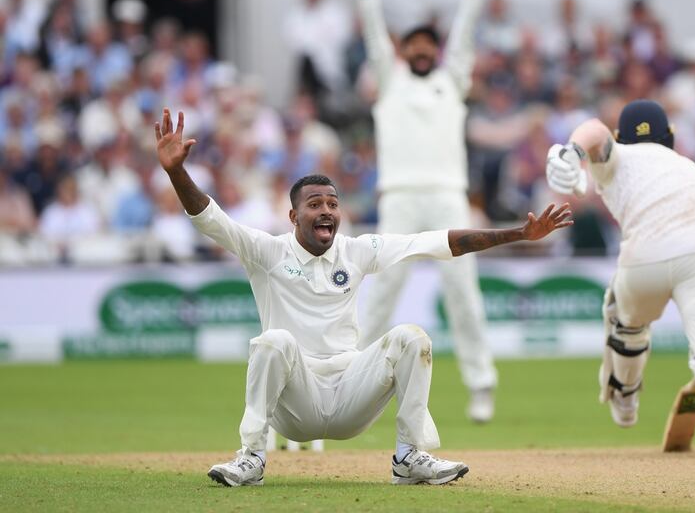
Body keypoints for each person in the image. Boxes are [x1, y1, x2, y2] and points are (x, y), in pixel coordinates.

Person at [154, 109, 572, 486]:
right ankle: (252, 458)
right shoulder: (266, 251)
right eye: (314, 204)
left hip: (350, 395)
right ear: (293, 216)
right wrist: (176, 173)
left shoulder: (355, 251)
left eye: (332, 204)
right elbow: (211, 220)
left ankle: (409, 458)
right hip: (294, 401)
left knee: (412, 337)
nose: (326, 212)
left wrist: (519, 234)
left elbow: (435, 242)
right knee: (274, 340)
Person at [545, 100, 695, 458]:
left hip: (645, 258)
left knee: (625, 322)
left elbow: (594, 130)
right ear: (669, 137)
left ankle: (625, 398)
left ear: (620, 137)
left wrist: (572, 152)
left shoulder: (617, 159)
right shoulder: (690, 168)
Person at [356, 0, 501, 423]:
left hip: (446, 196)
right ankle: (349, 381)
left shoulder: (451, 79)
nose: (420, 49)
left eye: (427, 44)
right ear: (404, 51)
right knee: (382, 293)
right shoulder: (390, 78)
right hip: (398, 197)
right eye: (412, 44)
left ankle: (481, 385)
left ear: (434, 52)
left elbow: (464, 39)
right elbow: (377, 39)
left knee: (463, 291)